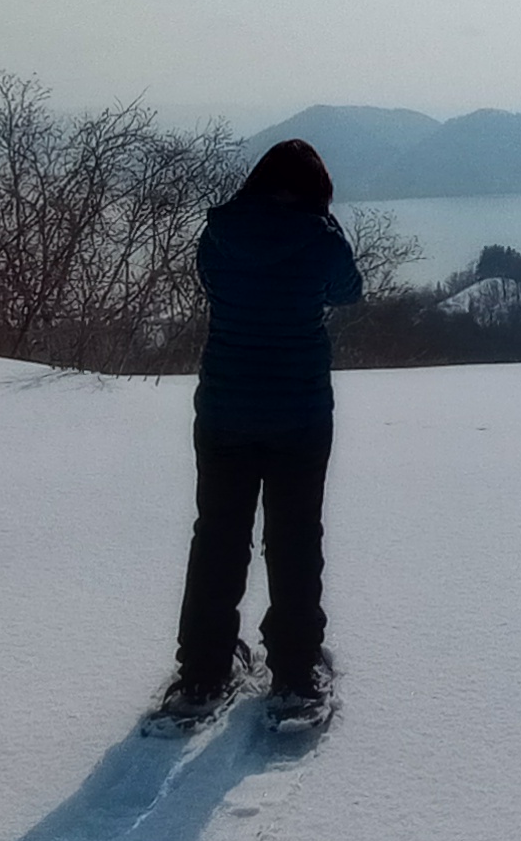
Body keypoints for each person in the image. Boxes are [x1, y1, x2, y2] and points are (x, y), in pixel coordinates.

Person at [148, 137, 363, 731]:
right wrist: (327, 230)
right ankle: (294, 671)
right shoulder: (319, 241)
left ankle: (202, 672)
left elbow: (216, 287)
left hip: (225, 409)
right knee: (294, 537)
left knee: (218, 535)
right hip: (299, 412)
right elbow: (348, 291)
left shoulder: (218, 235)